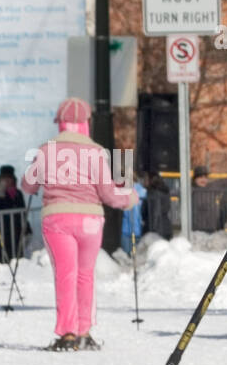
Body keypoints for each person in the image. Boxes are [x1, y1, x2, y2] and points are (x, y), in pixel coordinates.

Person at [21, 96, 139, 350]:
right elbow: (108, 194)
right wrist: (128, 199)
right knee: (85, 276)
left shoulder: (46, 150)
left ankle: (67, 333)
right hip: (91, 220)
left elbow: (28, 185)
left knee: (66, 275)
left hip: (58, 218)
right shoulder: (96, 152)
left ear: (60, 123)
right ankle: (85, 330)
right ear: (86, 122)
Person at [0, 165, 27, 264]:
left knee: (14, 257)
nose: (7, 181)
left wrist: (27, 228)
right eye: (4, 178)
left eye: (9, 178)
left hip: (13, 233)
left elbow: (22, 212)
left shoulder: (17, 194)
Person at [145, 173, 173, 240]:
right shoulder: (165, 192)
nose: (144, 181)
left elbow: (156, 213)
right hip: (167, 227)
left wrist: (153, 229)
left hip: (158, 229)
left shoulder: (153, 194)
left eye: (145, 180)